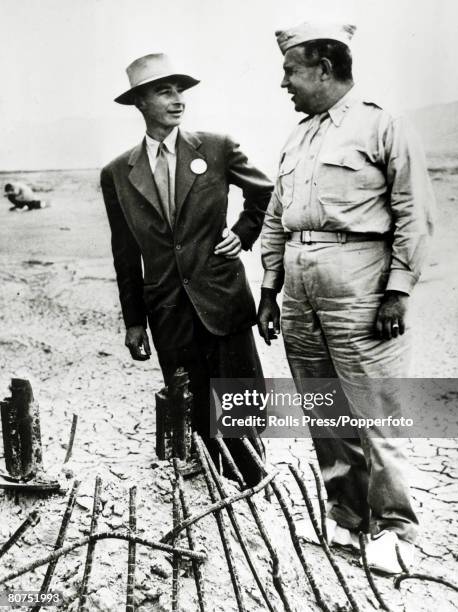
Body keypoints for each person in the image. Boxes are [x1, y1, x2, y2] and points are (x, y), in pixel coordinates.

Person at [258, 21, 435, 573]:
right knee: (324, 408)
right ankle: (350, 519)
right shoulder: (298, 137)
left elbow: (413, 212)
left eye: (291, 70)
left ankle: (395, 529)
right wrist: (269, 288)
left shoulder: (383, 125)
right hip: (301, 292)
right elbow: (275, 217)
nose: (284, 82)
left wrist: (398, 290)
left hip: (361, 285)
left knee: (375, 411)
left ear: (324, 68)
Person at [101, 53, 273, 486]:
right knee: (190, 407)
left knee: (239, 405)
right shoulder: (118, 173)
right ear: (140, 101)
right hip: (168, 313)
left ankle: (251, 487)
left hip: (222, 301)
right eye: (165, 91)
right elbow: (125, 255)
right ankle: (207, 492)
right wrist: (134, 322)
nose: (178, 99)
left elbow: (267, 195)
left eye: (180, 90)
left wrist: (243, 232)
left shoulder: (216, 147)